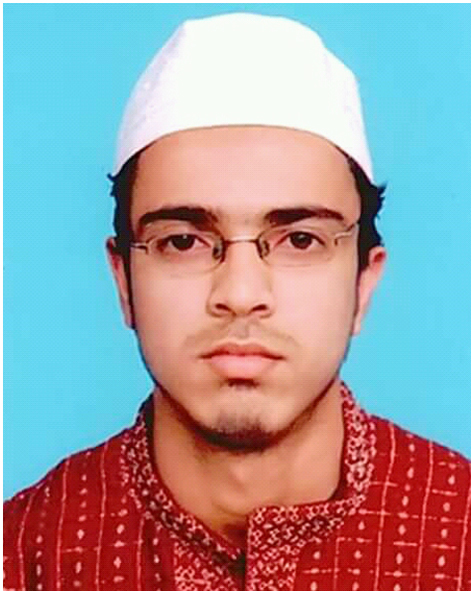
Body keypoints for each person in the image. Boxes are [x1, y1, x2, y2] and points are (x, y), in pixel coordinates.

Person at [4, 12, 470, 591]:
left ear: (363, 282)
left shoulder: (460, 535)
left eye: (300, 240)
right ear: (124, 280)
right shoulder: (24, 553)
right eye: (184, 242)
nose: (241, 295)